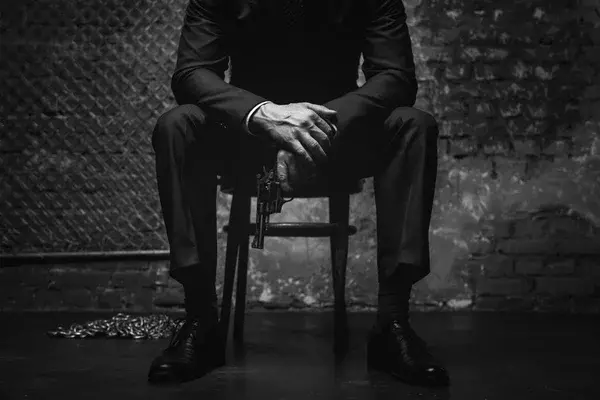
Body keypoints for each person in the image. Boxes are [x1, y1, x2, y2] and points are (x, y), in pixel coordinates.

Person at [149, 0, 448, 387]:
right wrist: (264, 114)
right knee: (176, 126)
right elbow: (191, 73)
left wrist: (317, 126)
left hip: (339, 136)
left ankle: (393, 322)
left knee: (414, 125)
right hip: (248, 138)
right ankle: (200, 321)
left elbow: (396, 76)